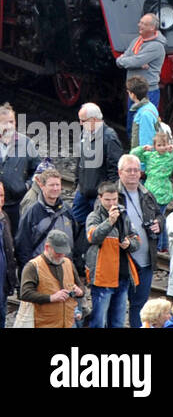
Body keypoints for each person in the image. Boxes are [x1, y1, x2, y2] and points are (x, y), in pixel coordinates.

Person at [85, 181, 142, 328]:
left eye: (114, 199)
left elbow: (136, 240)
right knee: (98, 321)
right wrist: (109, 222)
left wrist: (129, 244)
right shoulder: (94, 216)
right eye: (107, 200)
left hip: (122, 276)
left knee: (118, 322)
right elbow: (93, 237)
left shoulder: (123, 215)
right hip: (102, 278)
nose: (112, 203)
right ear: (100, 198)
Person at [116, 153, 161, 328]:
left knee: (140, 305)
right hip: (123, 261)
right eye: (129, 170)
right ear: (120, 173)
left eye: (137, 170)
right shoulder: (113, 194)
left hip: (145, 260)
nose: (134, 173)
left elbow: (159, 215)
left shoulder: (147, 193)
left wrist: (159, 224)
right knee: (118, 306)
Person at [19, 230, 83, 328]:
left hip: (69, 322)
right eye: (58, 252)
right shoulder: (33, 266)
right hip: (45, 323)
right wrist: (51, 298)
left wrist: (80, 291)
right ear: (47, 247)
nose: (61, 255)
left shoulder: (68, 263)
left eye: (64, 252)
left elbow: (80, 286)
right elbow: (25, 293)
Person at [72, 104, 124, 225]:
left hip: (98, 194)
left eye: (83, 120)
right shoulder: (85, 134)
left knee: (97, 226)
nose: (80, 123)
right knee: (75, 223)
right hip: (83, 192)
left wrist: (106, 193)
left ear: (94, 120)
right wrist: (77, 183)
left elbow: (114, 169)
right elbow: (80, 161)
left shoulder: (109, 138)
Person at [15, 168, 77, 267]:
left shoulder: (67, 211)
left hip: (64, 267)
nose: (55, 188)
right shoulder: (32, 213)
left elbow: (75, 239)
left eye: (58, 185)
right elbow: (23, 246)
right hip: (41, 269)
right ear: (42, 186)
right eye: (51, 185)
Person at [0, 102, 41, 230]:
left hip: (17, 203)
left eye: (12, 122)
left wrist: (27, 185)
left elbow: (39, 169)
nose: (9, 126)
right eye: (5, 122)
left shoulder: (26, 143)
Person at [115, 12, 166, 114]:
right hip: (134, 91)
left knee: (143, 125)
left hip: (147, 92)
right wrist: (129, 61)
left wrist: (132, 62)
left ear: (152, 28)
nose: (139, 25)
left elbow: (135, 62)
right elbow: (121, 61)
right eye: (140, 22)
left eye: (144, 24)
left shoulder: (156, 46)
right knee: (132, 125)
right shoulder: (136, 41)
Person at [131, 128, 173, 217]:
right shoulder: (149, 156)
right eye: (159, 145)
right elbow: (133, 154)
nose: (162, 147)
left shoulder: (170, 158)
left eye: (164, 145)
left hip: (163, 192)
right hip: (150, 190)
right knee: (148, 215)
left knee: (159, 217)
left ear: (168, 145)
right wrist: (142, 149)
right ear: (154, 146)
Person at [0, 183, 14, 330]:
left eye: (2, 195)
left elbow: (9, 250)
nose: (1, 199)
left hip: (3, 282)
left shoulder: (4, 217)